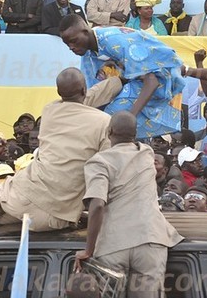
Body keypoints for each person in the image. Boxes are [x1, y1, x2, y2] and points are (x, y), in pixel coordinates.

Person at [0, 68, 119, 242]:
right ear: (84, 89)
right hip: (58, 214)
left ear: (58, 92)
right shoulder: (105, 123)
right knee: (3, 204)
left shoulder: (50, 112)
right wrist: (118, 82)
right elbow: (105, 168)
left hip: (22, 199)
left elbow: (81, 102)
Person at [75, 111, 182, 297]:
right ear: (135, 133)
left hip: (113, 243)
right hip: (150, 239)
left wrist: (88, 250)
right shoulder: (147, 153)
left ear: (109, 132)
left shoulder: (99, 162)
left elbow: (98, 205)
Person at [60, 15, 186, 138]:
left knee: (113, 122)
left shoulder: (115, 41)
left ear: (85, 31)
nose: (71, 47)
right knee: (94, 121)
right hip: (131, 82)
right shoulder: (87, 52)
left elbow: (152, 81)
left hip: (162, 78)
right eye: (67, 44)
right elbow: (94, 93)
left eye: (74, 41)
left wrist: (130, 118)